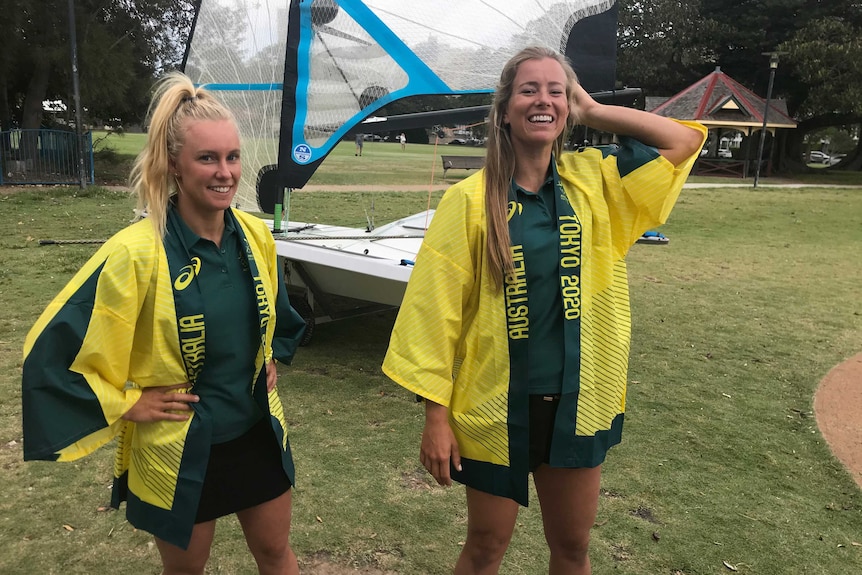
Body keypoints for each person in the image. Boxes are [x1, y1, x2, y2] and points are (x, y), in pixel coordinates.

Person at [382, 46, 705, 574]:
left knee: (573, 548)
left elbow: (683, 141)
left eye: (556, 91)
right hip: (495, 407)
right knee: (486, 547)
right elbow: (433, 312)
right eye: (529, 90)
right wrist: (435, 417)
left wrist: (594, 110)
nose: (543, 100)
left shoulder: (597, 182)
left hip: (579, 402)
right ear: (505, 108)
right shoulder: (469, 201)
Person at [21, 71, 308, 575]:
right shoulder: (134, 252)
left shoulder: (256, 237)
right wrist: (129, 401)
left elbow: (272, 317)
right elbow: (51, 353)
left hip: (254, 434)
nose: (225, 173)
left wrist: (265, 357)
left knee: (277, 554)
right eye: (208, 158)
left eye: (233, 157)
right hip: (180, 449)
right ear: (174, 165)